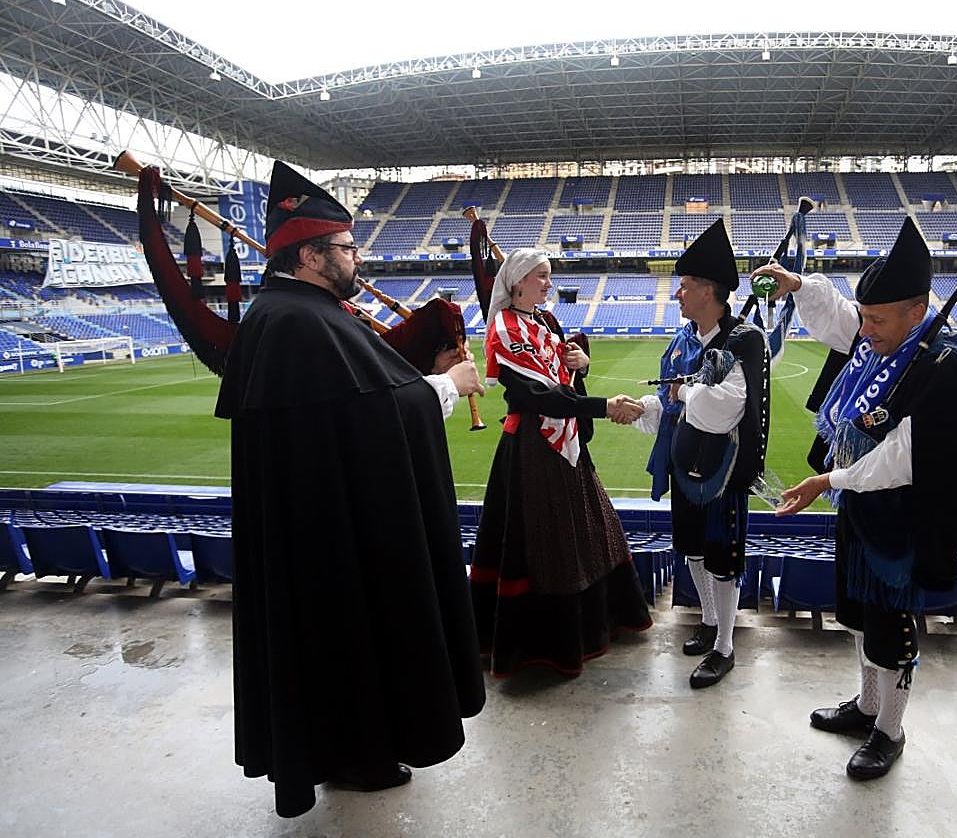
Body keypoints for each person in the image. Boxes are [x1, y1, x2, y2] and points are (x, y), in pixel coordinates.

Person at [214, 161, 487, 817]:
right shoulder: (299, 322)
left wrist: (419, 373)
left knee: (334, 647)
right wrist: (450, 388)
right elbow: (376, 419)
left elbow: (358, 396)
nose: (356, 259)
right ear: (310, 254)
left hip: (315, 528)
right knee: (344, 641)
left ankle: (346, 750)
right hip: (327, 536)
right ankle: (356, 755)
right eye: (345, 247)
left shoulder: (294, 314)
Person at [753, 216, 957, 780]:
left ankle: (890, 730)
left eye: (877, 318)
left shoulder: (942, 368)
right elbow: (840, 318)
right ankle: (867, 705)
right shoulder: (881, 341)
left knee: (891, 630)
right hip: (857, 508)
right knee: (856, 615)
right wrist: (799, 286)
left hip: (899, 522)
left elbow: (902, 459)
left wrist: (829, 481)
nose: (865, 329)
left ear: (916, 313)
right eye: (866, 317)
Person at [469, 248, 652, 677]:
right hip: (533, 447)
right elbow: (534, 396)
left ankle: (596, 626)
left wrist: (581, 366)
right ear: (517, 283)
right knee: (544, 540)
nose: (549, 284)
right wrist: (603, 406)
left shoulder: (545, 322)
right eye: (541, 277)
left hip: (564, 441)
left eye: (548, 276)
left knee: (587, 530)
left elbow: (562, 381)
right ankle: (549, 643)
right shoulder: (504, 328)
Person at [628, 219, 770, 689]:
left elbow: (723, 409)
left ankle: (726, 646)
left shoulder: (744, 339)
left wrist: (687, 393)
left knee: (722, 560)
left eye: (684, 286)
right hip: (685, 466)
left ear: (709, 291)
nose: (677, 295)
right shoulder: (685, 340)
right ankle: (708, 621)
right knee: (691, 550)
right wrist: (643, 408)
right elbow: (672, 404)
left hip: (722, 472)